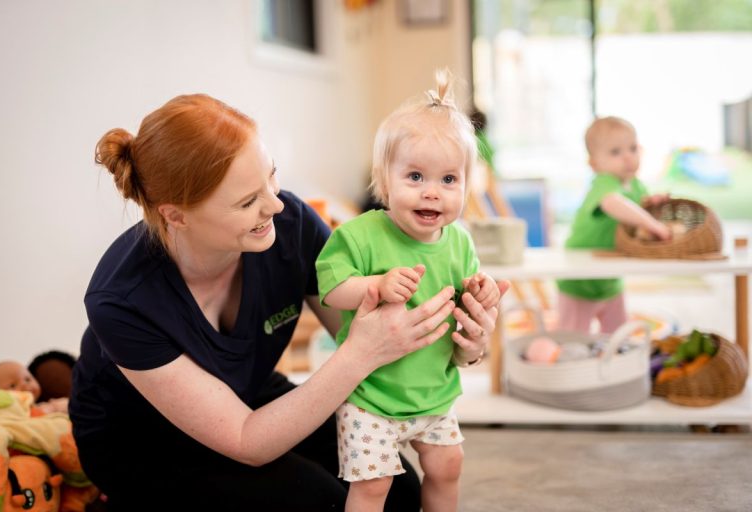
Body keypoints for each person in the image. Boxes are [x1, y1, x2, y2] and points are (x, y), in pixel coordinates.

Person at [69, 93, 494, 510]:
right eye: (247, 201)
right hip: (142, 436)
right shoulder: (122, 300)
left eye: (271, 177)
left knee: (399, 494)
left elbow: (377, 329)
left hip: (248, 391)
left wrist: (467, 344)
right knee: (320, 503)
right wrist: (360, 354)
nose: (274, 204)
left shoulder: (290, 225)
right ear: (176, 215)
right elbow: (247, 440)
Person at [316, 70, 509, 512]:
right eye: (416, 176)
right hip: (370, 397)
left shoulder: (459, 241)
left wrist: (481, 296)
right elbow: (331, 289)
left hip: (434, 394)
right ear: (385, 179)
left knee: (448, 466)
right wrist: (374, 285)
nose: (432, 194)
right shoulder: (361, 235)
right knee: (373, 486)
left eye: (448, 180)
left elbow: (467, 314)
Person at [556, 116, 671, 333]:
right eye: (615, 152)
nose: (628, 157)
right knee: (572, 339)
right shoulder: (604, 183)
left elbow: (639, 210)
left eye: (632, 148)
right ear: (594, 164)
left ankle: (612, 363)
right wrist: (653, 224)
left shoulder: (636, 185)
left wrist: (652, 204)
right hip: (579, 277)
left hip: (610, 277)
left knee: (619, 336)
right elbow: (614, 204)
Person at [0, 360, 68, 414]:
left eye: (27, 379)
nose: (24, 384)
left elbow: (69, 406)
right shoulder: (7, 413)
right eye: (13, 385)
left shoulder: (46, 405)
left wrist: (54, 407)